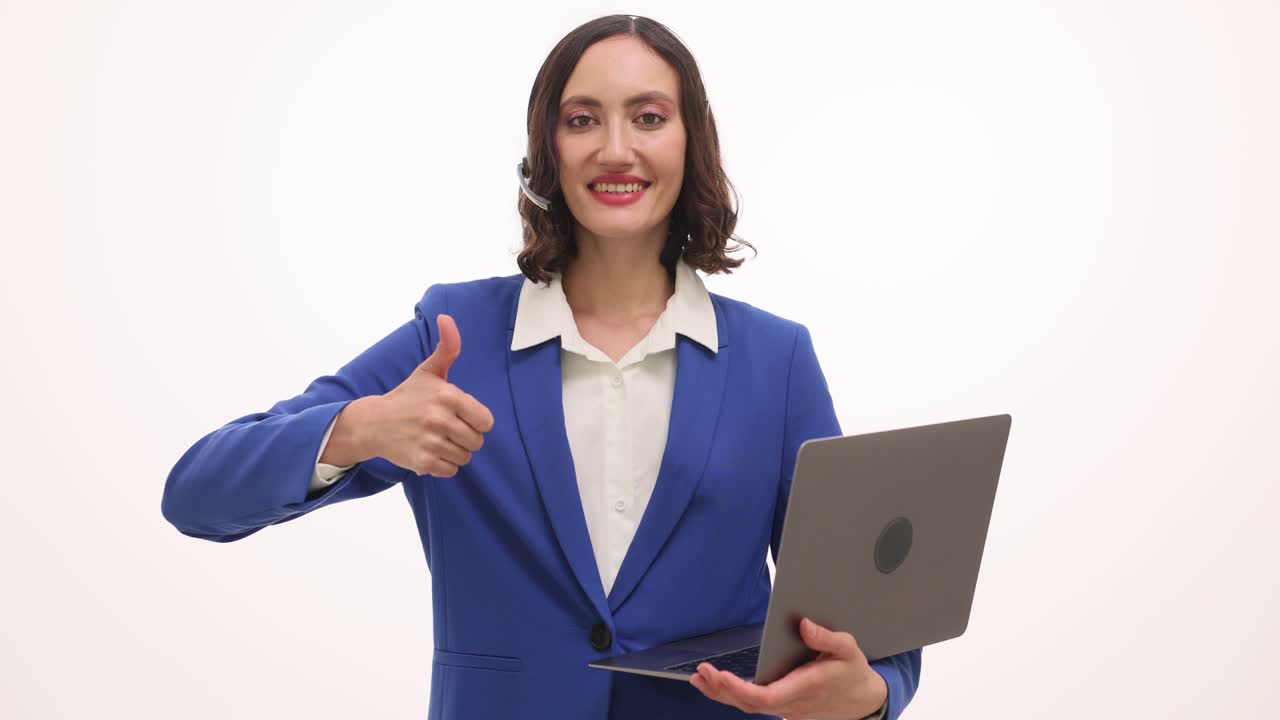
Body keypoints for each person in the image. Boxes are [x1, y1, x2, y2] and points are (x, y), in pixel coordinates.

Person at [161, 14, 921, 720]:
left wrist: (872, 694)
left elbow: (867, 618)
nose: (615, 149)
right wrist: (357, 430)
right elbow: (196, 494)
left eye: (649, 118)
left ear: (692, 143)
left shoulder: (776, 361)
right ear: (545, 149)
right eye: (581, 119)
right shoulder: (452, 338)